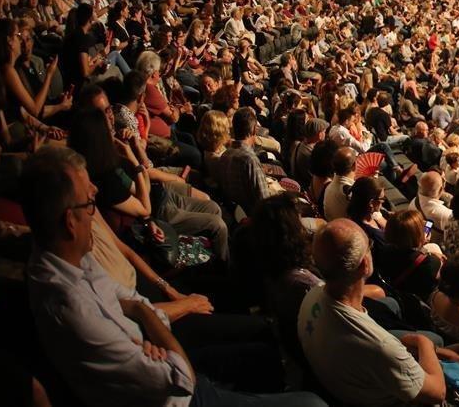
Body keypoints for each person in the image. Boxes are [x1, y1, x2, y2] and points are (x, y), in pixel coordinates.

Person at [22, 146, 320, 406]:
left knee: (263, 343)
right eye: (88, 203)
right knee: (313, 403)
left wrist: (147, 318)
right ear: (69, 223)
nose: (95, 205)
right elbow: (180, 378)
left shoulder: (74, 259)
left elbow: (132, 300)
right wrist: (150, 317)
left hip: (160, 347)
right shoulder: (71, 309)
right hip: (179, 396)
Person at [299, 219, 459, 407]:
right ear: (364, 264)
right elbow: (437, 392)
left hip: (352, 383)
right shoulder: (380, 346)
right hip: (411, 399)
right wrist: (422, 342)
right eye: (370, 246)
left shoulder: (312, 296)